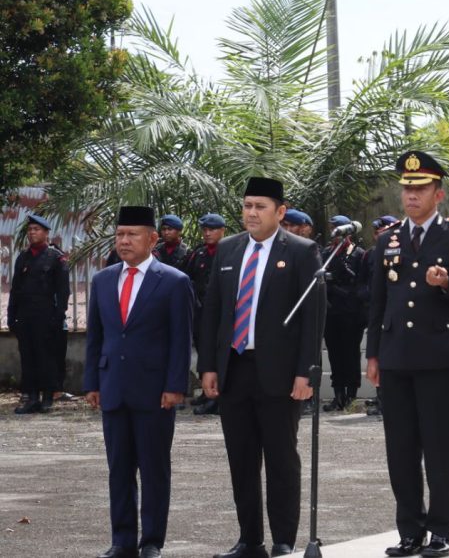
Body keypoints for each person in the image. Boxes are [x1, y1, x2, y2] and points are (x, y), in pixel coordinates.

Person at [365, 150, 449, 557]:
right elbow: (377, 302)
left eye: (420, 189)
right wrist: (374, 355)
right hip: (396, 357)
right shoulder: (388, 239)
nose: (411, 195)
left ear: (439, 193)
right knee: (399, 449)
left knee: (438, 448)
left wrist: (448, 282)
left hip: (437, 357)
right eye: (406, 188)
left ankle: (441, 531)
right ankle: (409, 531)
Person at [199, 177, 323, 558]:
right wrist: (208, 366)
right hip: (235, 369)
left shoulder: (302, 251)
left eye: (261, 207)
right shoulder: (228, 250)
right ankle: (249, 540)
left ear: (280, 212)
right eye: (247, 205)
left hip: (280, 374)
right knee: (241, 459)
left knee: (282, 459)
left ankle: (283, 539)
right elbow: (213, 313)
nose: (251, 213)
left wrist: (306, 373)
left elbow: (312, 319)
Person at [84, 206, 194, 558]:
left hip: (154, 391)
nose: (124, 241)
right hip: (113, 386)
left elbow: (181, 339)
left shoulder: (174, 281)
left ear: (152, 239)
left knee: (153, 468)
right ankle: (122, 540)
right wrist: (92, 382)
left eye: (132, 234)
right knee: (119, 468)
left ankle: (151, 542)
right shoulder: (103, 280)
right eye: (119, 235)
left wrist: (175, 385)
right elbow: (95, 337)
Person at [9, 214, 70, 414]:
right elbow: (15, 288)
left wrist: (59, 315)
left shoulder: (56, 257)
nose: (32, 233)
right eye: (30, 230)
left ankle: (47, 398)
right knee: (28, 357)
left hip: (47, 315)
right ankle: (32, 398)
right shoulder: (23, 257)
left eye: (36, 230)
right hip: (25, 315)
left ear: (46, 233)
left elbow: (63, 291)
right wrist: (11, 315)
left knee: (46, 357)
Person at [321, 215, 369, 412]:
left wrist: (347, 287)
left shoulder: (359, 254)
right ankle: (338, 393)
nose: (336, 233)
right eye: (333, 228)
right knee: (335, 354)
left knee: (350, 353)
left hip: (352, 312)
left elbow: (363, 283)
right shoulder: (327, 253)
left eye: (340, 229)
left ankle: (351, 394)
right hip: (332, 311)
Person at [185, 213, 227, 415]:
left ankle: (219, 399)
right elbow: (189, 279)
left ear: (222, 231)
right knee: (205, 353)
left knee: (220, 356)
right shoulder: (199, 254)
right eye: (205, 230)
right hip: (202, 313)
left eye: (212, 230)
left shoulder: (229, 252)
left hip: (223, 315)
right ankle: (207, 393)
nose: (207, 233)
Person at [363, 215, 400, 418]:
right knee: (378, 357)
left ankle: (388, 401)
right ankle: (380, 398)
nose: (380, 236)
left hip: (395, 312)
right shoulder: (370, 255)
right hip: (377, 310)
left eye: (384, 232)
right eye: (377, 233)